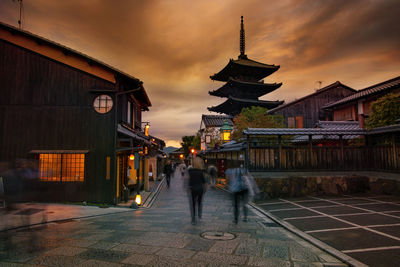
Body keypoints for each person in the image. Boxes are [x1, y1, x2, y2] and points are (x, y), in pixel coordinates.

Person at [187, 156, 207, 225]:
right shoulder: (201, 172)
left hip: (193, 189)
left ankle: (193, 218)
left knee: (193, 204)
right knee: (199, 202)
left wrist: (188, 187)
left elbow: (189, 181)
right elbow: (204, 181)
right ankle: (199, 213)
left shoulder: (190, 172)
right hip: (200, 189)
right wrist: (205, 188)